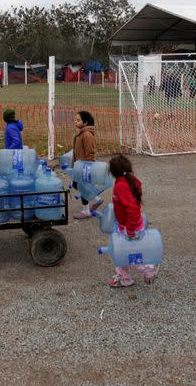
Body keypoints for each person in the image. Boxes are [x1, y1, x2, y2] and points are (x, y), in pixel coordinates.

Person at [105, 154, 159, 287]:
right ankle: (125, 278)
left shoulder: (121, 185)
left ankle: (150, 268)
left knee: (130, 257)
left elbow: (132, 208)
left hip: (130, 227)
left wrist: (130, 229)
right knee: (119, 252)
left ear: (113, 172)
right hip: (125, 225)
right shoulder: (127, 180)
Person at [71, 110, 102, 219]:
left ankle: (86, 211)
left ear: (85, 123)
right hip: (80, 166)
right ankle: (96, 199)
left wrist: (85, 167)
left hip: (84, 167)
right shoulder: (81, 133)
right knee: (76, 185)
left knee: (81, 186)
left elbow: (90, 153)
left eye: (78, 120)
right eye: (75, 119)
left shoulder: (87, 135)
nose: (75, 122)